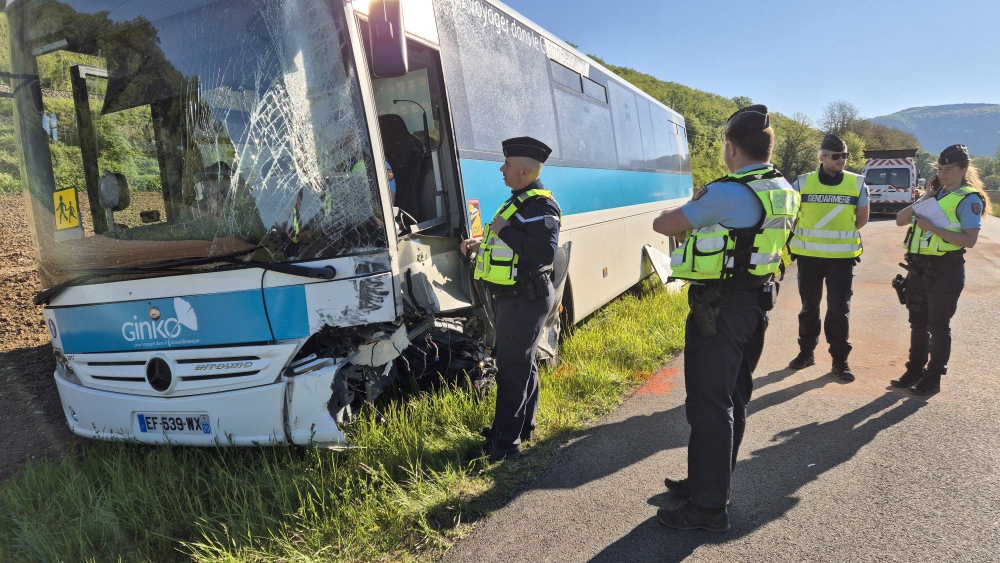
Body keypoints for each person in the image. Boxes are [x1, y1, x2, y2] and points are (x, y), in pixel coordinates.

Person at [651, 105, 799, 532]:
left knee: (709, 404)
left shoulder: (728, 191)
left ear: (731, 148)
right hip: (755, 302)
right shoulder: (783, 188)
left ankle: (709, 508)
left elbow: (665, 224)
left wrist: (689, 215)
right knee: (732, 397)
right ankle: (707, 481)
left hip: (720, 308)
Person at [460, 136, 560, 462]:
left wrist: (504, 231)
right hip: (515, 298)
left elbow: (544, 252)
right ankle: (522, 428)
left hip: (525, 298)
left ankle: (504, 446)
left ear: (523, 171)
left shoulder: (541, 205)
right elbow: (511, 246)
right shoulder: (519, 199)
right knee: (522, 364)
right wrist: (480, 245)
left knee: (512, 372)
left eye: (506, 164)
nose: (501, 169)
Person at [891, 144, 986, 396]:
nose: (943, 174)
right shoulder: (935, 195)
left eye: (950, 169)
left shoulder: (969, 198)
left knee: (938, 326)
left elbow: (969, 240)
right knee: (917, 323)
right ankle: (914, 371)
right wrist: (925, 197)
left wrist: (932, 227)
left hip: (946, 269)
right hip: (919, 267)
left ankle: (933, 378)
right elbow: (900, 220)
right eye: (940, 169)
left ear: (964, 170)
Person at [786, 134, 870, 381]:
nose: (841, 159)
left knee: (838, 310)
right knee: (809, 307)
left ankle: (839, 360)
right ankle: (806, 353)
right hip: (809, 258)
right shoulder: (802, 183)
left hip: (842, 259)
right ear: (822, 158)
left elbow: (862, 219)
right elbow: (790, 215)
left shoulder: (856, 183)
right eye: (836, 156)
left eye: (844, 155)